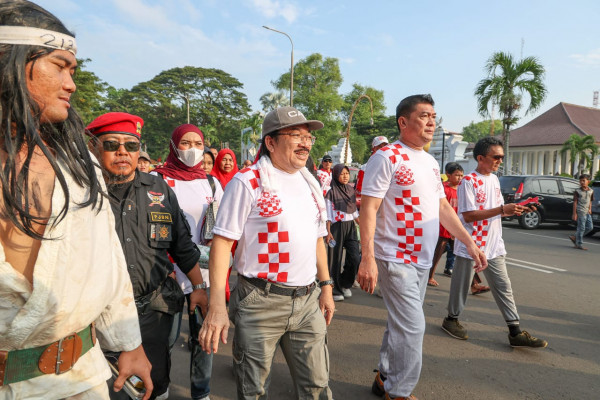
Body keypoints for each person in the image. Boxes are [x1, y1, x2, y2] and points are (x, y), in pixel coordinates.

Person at [0, 2, 152, 399]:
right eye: (59, 65)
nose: (71, 84)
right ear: (8, 62)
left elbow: (106, 257)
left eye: (73, 70)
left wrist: (129, 342)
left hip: (80, 378)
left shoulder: (77, 163)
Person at [199, 106, 336, 399]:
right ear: (271, 142)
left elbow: (317, 238)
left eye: (308, 137)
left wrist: (326, 286)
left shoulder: (310, 183)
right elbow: (222, 244)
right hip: (260, 302)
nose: (305, 143)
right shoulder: (248, 182)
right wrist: (217, 307)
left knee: (317, 385)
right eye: (296, 135)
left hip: (307, 301)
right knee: (254, 390)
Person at [357, 94, 487, 400]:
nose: (431, 122)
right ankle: (399, 392)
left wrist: (469, 241)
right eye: (424, 116)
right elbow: (368, 208)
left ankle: (385, 376)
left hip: (421, 259)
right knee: (413, 327)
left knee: (400, 323)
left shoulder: (429, 161)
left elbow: (442, 207)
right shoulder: (386, 157)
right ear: (404, 122)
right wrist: (367, 258)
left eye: (433, 116)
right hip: (393, 257)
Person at [87, 113, 210, 399]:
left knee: (153, 386)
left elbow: (182, 245)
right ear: (93, 147)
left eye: (131, 146)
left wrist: (199, 288)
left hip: (152, 311)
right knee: (109, 390)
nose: (122, 152)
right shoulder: (82, 192)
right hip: (99, 317)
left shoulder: (158, 189)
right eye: (112, 144)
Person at [442, 137, 548, 349]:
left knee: (503, 287)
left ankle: (515, 331)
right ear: (480, 158)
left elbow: (499, 209)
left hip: (493, 244)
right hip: (470, 245)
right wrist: (502, 210)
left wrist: (518, 209)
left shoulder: (494, 180)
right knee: (461, 287)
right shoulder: (468, 181)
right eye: (496, 157)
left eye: (502, 156)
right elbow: (469, 215)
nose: (500, 160)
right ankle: (451, 320)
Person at [152, 124, 223, 400]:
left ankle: (201, 391)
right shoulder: (156, 180)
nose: (192, 149)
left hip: (201, 277)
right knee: (163, 340)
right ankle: (160, 387)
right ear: (173, 146)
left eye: (197, 143)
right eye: (185, 143)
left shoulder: (211, 183)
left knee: (203, 338)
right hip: (165, 275)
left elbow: (222, 232)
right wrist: (166, 268)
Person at [427, 163, 490, 294]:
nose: (460, 178)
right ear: (448, 175)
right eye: (457, 175)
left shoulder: (462, 189)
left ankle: (474, 284)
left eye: (461, 175)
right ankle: (429, 277)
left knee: (464, 254)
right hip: (443, 227)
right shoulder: (443, 189)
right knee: (437, 254)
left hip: (457, 228)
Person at [325, 164, 361, 302]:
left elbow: (354, 212)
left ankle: (345, 283)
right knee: (335, 260)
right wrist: (328, 232)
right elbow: (328, 215)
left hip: (350, 227)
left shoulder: (351, 191)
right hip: (336, 227)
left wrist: (363, 227)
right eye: (342, 174)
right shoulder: (331, 193)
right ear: (335, 175)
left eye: (347, 173)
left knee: (354, 258)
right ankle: (335, 289)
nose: (345, 176)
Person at [569, 174, 594, 250]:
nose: (582, 182)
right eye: (580, 181)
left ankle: (575, 237)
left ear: (588, 181)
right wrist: (574, 213)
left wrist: (590, 209)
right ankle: (579, 244)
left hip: (587, 211)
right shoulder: (577, 191)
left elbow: (590, 201)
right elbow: (575, 202)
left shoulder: (591, 191)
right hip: (580, 211)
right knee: (581, 228)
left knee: (590, 227)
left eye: (584, 180)